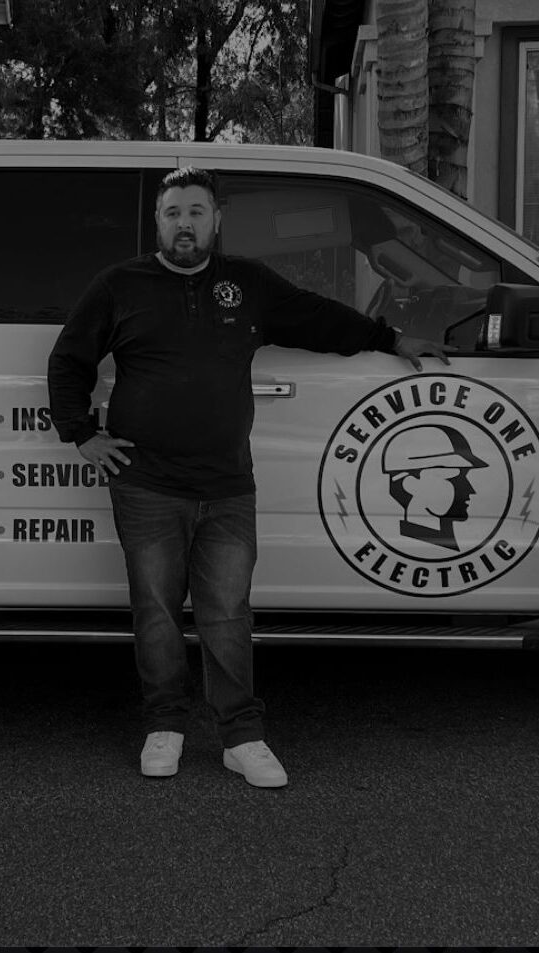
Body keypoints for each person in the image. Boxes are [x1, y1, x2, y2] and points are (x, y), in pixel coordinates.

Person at [47, 167, 450, 787]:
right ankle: (166, 726)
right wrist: (80, 433)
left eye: (197, 212)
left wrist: (391, 337)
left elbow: (319, 320)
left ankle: (241, 735)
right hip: (146, 483)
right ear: (158, 221)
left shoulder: (248, 284)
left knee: (228, 612)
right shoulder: (119, 285)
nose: (186, 223)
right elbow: (69, 359)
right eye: (174, 212)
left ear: (216, 220)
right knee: (155, 611)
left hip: (228, 484)